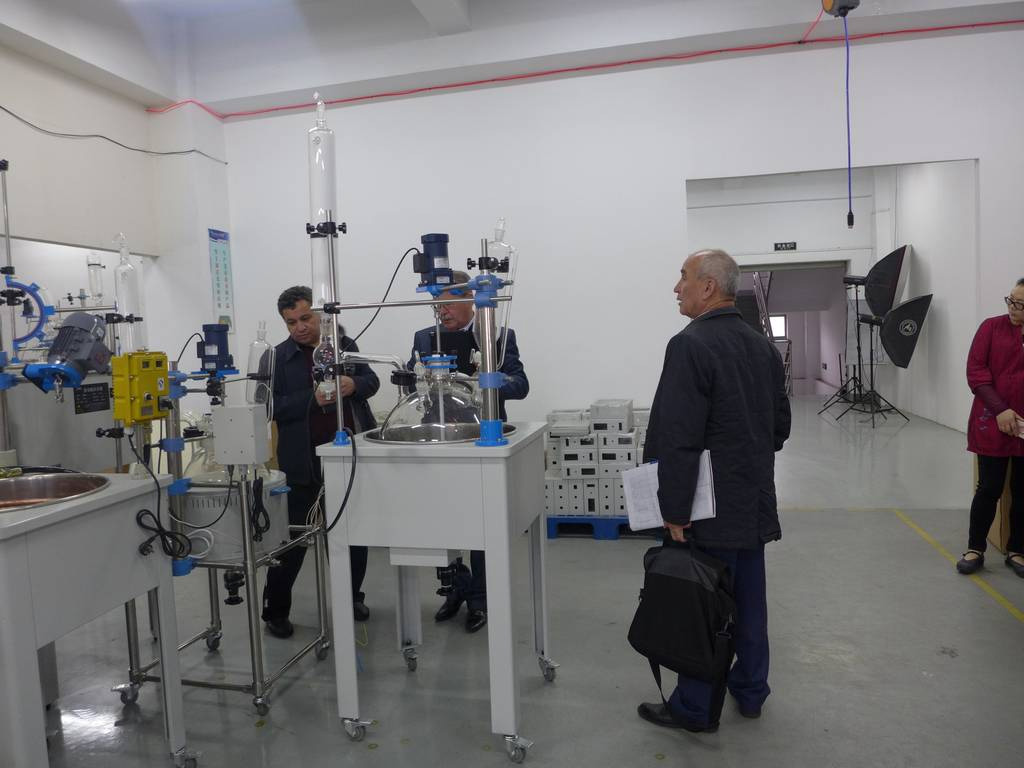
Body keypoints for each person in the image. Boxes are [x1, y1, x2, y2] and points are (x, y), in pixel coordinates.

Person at [637, 249, 791, 733]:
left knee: (702, 604)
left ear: (708, 287)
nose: (676, 287)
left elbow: (678, 437)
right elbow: (780, 428)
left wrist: (675, 509)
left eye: (683, 277)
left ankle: (694, 706)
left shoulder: (689, 345)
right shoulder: (762, 346)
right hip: (751, 502)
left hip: (708, 508)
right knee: (749, 601)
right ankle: (750, 689)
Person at [409, 271, 529, 633]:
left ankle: (480, 599)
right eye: (436, 305)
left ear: (471, 301)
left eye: (447, 304)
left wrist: (488, 383)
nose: (441, 312)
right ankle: (455, 588)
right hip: (439, 441)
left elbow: (521, 384)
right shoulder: (424, 337)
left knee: (481, 525)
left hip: (482, 440)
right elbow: (413, 382)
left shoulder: (498, 335)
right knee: (443, 522)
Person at [261, 286, 380, 638]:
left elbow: (372, 381)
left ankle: (350, 597)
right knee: (292, 541)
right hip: (302, 462)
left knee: (350, 536)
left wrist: (353, 383)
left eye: (305, 318)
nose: (299, 327)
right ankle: (275, 611)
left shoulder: (344, 346)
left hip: (347, 458)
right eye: (291, 322)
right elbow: (268, 407)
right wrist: (311, 398)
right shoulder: (276, 358)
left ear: (320, 315)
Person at [957, 280, 1024, 578]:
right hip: (992, 421)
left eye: (1020, 304)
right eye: (1010, 300)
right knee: (988, 488)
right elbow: (976, 372)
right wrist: (1001, 409)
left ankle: (1017, 549)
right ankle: (975, 548)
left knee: (1022, 491)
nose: (1012, 308)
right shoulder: (991, 328)